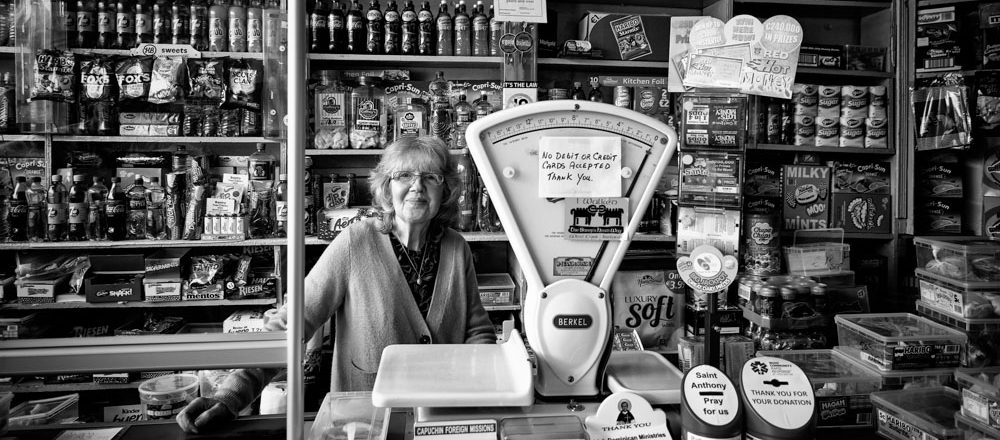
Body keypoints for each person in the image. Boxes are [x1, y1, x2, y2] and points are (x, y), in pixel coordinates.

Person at [177, 136, 496, 433]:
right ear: (387, 187)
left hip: (442, 419)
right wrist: (230, 396)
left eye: (431, 177)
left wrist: (478, 392)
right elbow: (292, 323)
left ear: (445, 189)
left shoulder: (456, 247)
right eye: (404, 176)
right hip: (365, 421)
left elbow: (478, 330)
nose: (417, 187)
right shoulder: (356, 241)